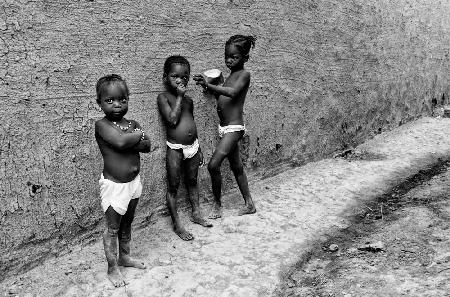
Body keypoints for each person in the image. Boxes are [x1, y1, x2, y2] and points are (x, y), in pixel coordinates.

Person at [94, 74, 151, 287]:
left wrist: (133, 139)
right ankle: (112, 268)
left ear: (128, 99)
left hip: (134, 183)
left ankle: (124, 256)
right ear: (99, 103)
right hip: (114, 186)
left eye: (122, 100)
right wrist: (136, 137)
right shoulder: (102, 125)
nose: (117, 105)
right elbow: (119, 141)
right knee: (112, 228)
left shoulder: (132, 123)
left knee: (128, 222)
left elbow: (148, 145)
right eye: (109, 101)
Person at [193, 35, 257, 219]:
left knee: (213, 165)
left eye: (234, 57)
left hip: (234, 128)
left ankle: (218, 205)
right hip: (224, 128)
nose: (229, 60)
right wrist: (208, 86)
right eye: (226, 56)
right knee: (237, 167)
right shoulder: (228, 76)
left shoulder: (244, 75)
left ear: (245, 58)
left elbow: (232, 93)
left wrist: (211, 86)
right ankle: (249, 204)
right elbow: (221, 97)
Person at [157, 55, 213, 241]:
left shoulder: (189, 100)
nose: (180, 80)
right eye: (175, 77)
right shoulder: (163, 97)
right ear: (166, 77)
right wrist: (180, 96)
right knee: (173, 186)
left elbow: (191, 123)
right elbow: (172, 120)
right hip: (175, 148)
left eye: (185, 77)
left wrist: (199, 147)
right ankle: (177, 225)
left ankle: (196, 213)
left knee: (192, 180)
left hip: (193, 147)